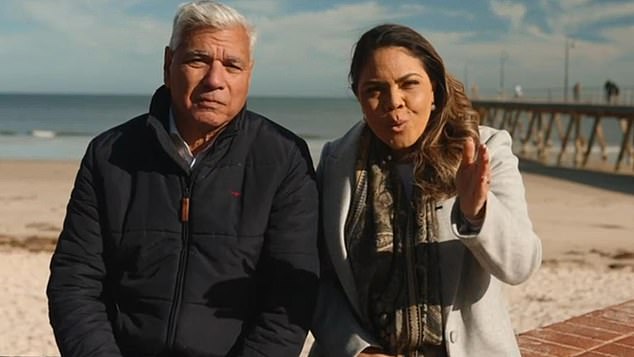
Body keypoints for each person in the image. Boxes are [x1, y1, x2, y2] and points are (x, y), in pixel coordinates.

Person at [47, 1, 319, 356]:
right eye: (198, 60)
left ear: (248, 74)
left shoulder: (284, 159)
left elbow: (290, 298)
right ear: (167, 63)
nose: (214, 80)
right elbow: (75, 281)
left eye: (232, 65)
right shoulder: (109, 154)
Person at [310, 24, 541, 357]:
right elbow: (319, 276)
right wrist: (358, 349)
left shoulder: (484, 149)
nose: (394, 103)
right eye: (375, 89)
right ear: (358, 95)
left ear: (434, 88)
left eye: (409, 85)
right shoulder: (336, 162)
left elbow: (521, 266)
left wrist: (477, 212)